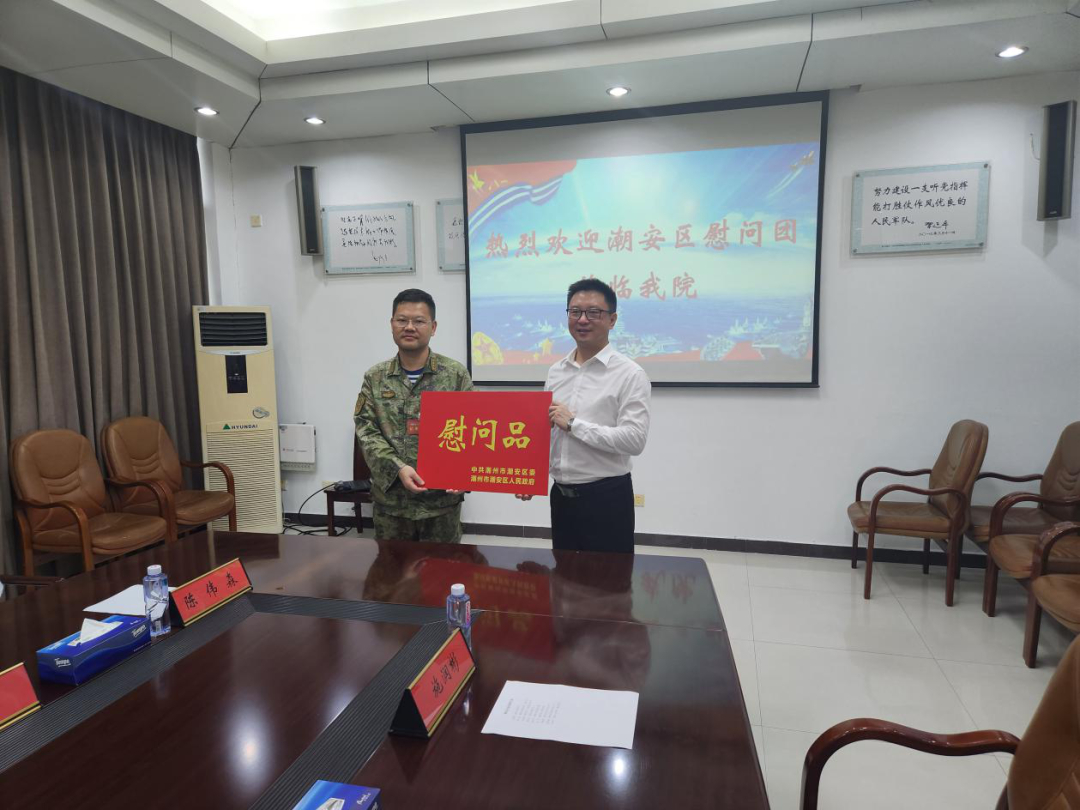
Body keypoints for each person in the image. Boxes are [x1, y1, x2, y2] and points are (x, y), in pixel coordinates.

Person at [519, 279, 651, 553]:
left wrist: (573, 424)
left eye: (593, 312)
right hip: (561, 497)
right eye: (575, 311)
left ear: (612, 320)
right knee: (565, 574)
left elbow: (634, 440)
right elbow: (548, 430)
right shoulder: (556, 371)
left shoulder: (630, 374)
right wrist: (531, 475)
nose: (582, 319)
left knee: (610, 577)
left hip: (606, 498)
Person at [355, 289, 473, 542]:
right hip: (392, 503)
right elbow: (366, 430)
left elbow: (473, 429)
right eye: (402, 320)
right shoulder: (375, 377)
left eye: (419, 321)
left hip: (441, 503)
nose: (409, 327)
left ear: (433, 327)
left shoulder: (455, 375)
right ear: (392, 324)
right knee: (392, 567)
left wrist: (465, 475)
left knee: (443, 565)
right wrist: (397, 467)